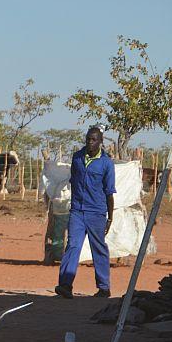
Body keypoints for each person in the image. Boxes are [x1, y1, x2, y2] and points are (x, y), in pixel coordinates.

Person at [54, 126, 115, 299]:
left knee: (99, 248)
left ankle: (104, 287)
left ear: (100, 142)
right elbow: (74, 181)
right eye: (88, 138)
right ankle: (65, 285)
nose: (90, 142)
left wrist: (110, 218)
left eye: (94, 139)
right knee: (72, 245)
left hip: (97, 212)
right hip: (77, 212)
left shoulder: (106, 163)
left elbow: (109, 192)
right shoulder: (77, 158)